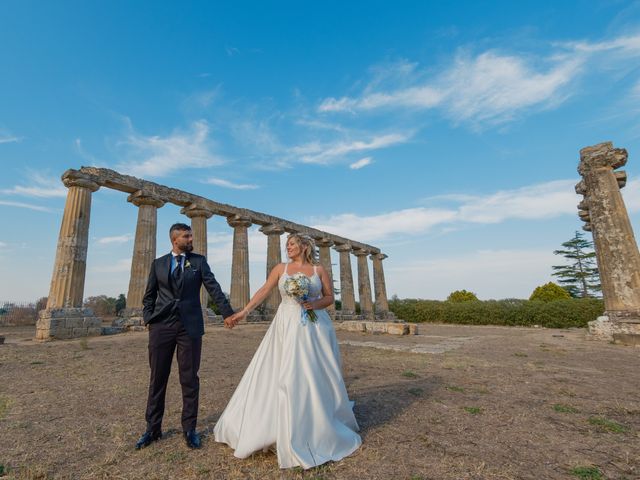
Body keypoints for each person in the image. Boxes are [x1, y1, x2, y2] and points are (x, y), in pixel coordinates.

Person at [215, 233, 361, 469]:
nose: (288, 247)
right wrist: (242, 312)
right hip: (286, 324)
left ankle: (317, 419)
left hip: (314, 327)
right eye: (287, 244)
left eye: (292, 244)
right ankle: (278, 424)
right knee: (285, 371)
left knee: (313, 372)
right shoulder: (280, 268)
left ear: (304, 247)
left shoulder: (318, 270)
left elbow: (329, 298)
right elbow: (263, 290)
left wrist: (313, 304)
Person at [135, 223, 235, 450]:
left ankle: (189, 429)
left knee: (189, 379)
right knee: (157, 378)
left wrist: (227, 313)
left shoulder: (198, 261)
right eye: (187, 236)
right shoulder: (158, 264)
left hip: (189, 327)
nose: (191, 239)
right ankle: (152, 428)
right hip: (161, 326)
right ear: (175, 239)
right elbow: (149, 295)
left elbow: (213, 288)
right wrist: (148, 317)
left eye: (191, 235)